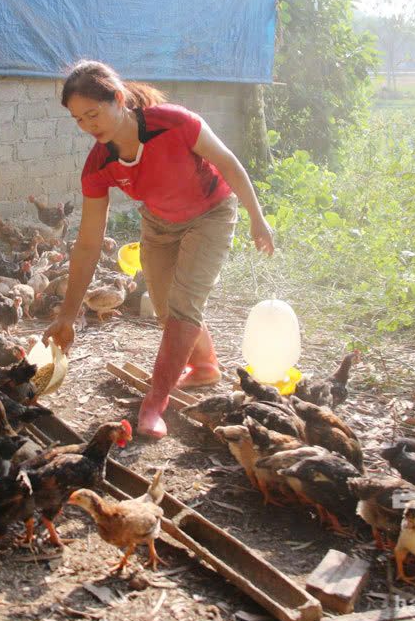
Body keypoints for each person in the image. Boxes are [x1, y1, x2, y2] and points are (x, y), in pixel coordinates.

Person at [42, 60, 274, 439]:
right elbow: (88, 243)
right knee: (167, 306)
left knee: (184, 305)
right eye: (79, 120)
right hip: (159, 223)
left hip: (211, 214)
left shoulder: (174, 123)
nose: (88, 126)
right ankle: (204, 366)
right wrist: (68, 315)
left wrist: (257, 216)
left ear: (119, 99)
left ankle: (154, 401)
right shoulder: (98, 165)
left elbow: (228, 163)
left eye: (93, 114)